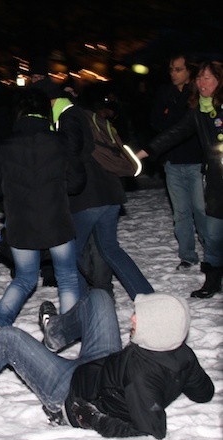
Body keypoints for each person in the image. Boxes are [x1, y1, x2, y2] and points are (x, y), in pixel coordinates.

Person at [0, 290, 214, 440]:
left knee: (7, 338)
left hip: (71, 390)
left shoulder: (139, 382)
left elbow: (151, 431)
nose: (132, 318)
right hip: (103, 365)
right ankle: (54, 334)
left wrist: (92, 420)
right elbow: (204, 393)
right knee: (100, 299)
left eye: (139, 318)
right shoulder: (181, 354)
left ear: (156, 331)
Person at [0, 88, 86, 341]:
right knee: (68, 278)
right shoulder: (60, 142)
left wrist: (7, 192)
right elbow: (78, 182)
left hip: (21, 224)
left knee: (24, 279)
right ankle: (66, 332)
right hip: (57, 221)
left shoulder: (4, 146)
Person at [34, 77, 154, 301]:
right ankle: (147, 297)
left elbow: (74, 155)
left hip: (89, 197)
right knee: (110, 249)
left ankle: (80, 307)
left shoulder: (65, 118)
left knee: (69, 254)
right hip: (110, 192)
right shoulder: (82, 113)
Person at [139, 60, 223, 298]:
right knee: (215, 235)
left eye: (207, 78)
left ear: (219, 81)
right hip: (217, 185)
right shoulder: (198, 112)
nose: (201, 82)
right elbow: (172, 134)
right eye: (199, 78)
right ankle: (213, 281)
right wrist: (140, 154)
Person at [150, 54, 207, 271]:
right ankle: (188, 256)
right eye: (171, 69)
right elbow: (157, 122)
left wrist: (171, 118)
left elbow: (191, 125)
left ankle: (211, 254)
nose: (173, 73)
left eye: (178, 69)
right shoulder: (165, 93)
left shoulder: (197, 93)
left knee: (201, 210)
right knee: (181, 212)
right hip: (172, 162)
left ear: (188, 71)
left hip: (196, 162)